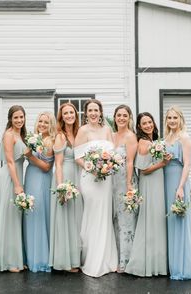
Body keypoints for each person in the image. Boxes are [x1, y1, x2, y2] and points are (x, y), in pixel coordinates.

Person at [74, 99, 118, 277]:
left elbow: (113, 153)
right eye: (90, 110)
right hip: (90, 178)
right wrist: (92, 168)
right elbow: (78, 157)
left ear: (100, 112)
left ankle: (107, 259)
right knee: (93, 215)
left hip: (106, 179)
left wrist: (108, 166)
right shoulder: (83, 130)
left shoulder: (107, 130)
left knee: (105, 216)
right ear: (86, 113)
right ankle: (93, 260)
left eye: (96, 110)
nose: (93, 113)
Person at [125, 112, 170, 277]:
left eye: (150, 122)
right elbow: (143, 170)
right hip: (150, 184)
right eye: (144, 123)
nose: (148, 125)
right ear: (139, 127)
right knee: (150, 220)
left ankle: (157, 261)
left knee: (157, 220)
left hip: (158, 182)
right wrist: (162, 163)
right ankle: (145, 262)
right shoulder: (143, 142)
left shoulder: (154, 140)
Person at [164, 106, 191, 280]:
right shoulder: (167, 137)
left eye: (175, 118)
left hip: (178, 181)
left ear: (180, 119)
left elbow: (187, 164)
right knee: (170, 221)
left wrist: (180, 187)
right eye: (169, 118)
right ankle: (172, 264)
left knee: (179, 221)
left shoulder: (184, 138)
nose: (171, 121)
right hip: (166, 180)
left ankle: (182, 267)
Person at [49, 103, 83, 272]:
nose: (69, 115)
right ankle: (66, 260)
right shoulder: (60, 136)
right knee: (66, 217)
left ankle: (77, 257)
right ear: (61, 117)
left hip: (79, 176)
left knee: (77, 217)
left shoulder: (78, 133)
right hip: (67, 176)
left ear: (76, 114)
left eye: (72, 112)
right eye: (66, 113)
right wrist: (61, 187)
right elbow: (59, 164)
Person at [0, 105, 27, 272]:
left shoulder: (19, 134)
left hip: (16, 176)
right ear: (10, 119)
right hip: (9, 178)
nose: (19, 120)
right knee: (9, 219)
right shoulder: (8, 135)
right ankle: (8, 262)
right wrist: (17, 184)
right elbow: (10, 161)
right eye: (16, 118)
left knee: (16, 218)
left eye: (21, 117)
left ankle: (16, 258)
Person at [23, 112, 55, 272]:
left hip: (41, 179)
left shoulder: (49, 141)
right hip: (30, 177)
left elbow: (46, 167)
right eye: (40, 121)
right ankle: (30, 255)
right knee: (30, 214)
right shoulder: (35, 138)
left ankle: (40, 258)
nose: (42, 124)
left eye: (46, 122)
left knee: (39, 215)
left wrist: (30, 156)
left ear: (51, 125)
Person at [112, 105, 138, 272]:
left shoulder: (130, 136)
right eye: (119, 115)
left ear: (129, 118)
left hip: (125, 181)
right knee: (115, 220)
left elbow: (129, 162)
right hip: (112, 182)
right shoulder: (112, 135)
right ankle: (115, 258)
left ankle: (126, 261)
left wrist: (129, 184)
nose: (121, 118)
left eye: (124, 115)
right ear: (114, 117)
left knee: (126, 221)